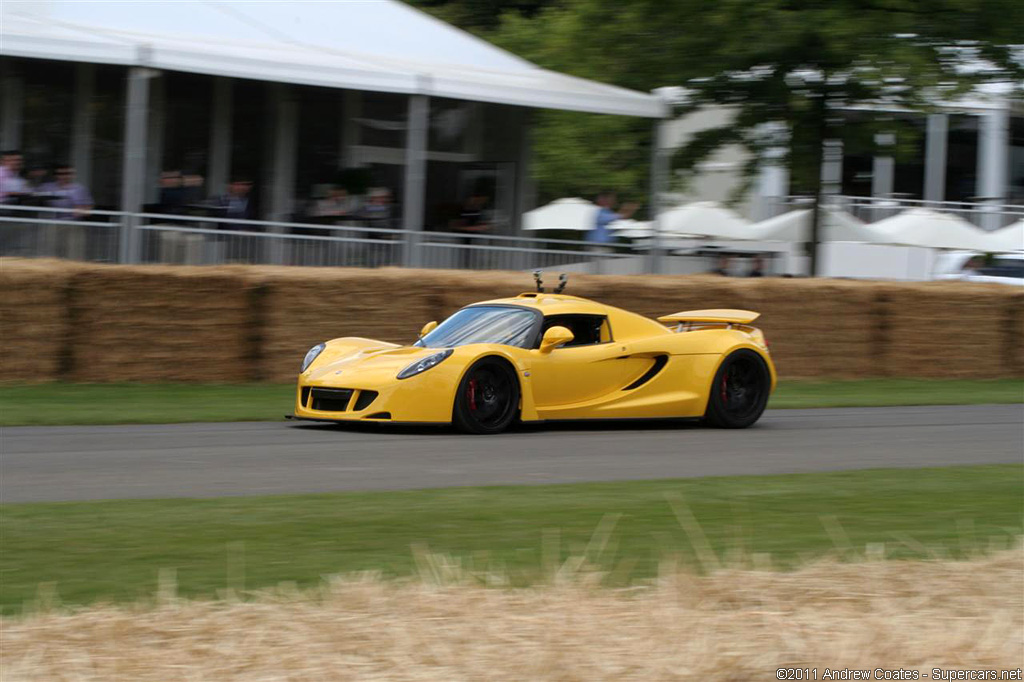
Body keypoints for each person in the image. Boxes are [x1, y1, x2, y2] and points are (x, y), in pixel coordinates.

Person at [39, 163, 94, 260]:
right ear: (56, 175)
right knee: (52, 253)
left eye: (67, 173)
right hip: (53, 224)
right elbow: (33, 196)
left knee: (75, 253)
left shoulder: (80, 189)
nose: (64, 176)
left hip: (74, 225)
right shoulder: (47, 187)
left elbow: (89, 207)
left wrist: (83, 211)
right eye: (61, 174)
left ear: (73, 175)